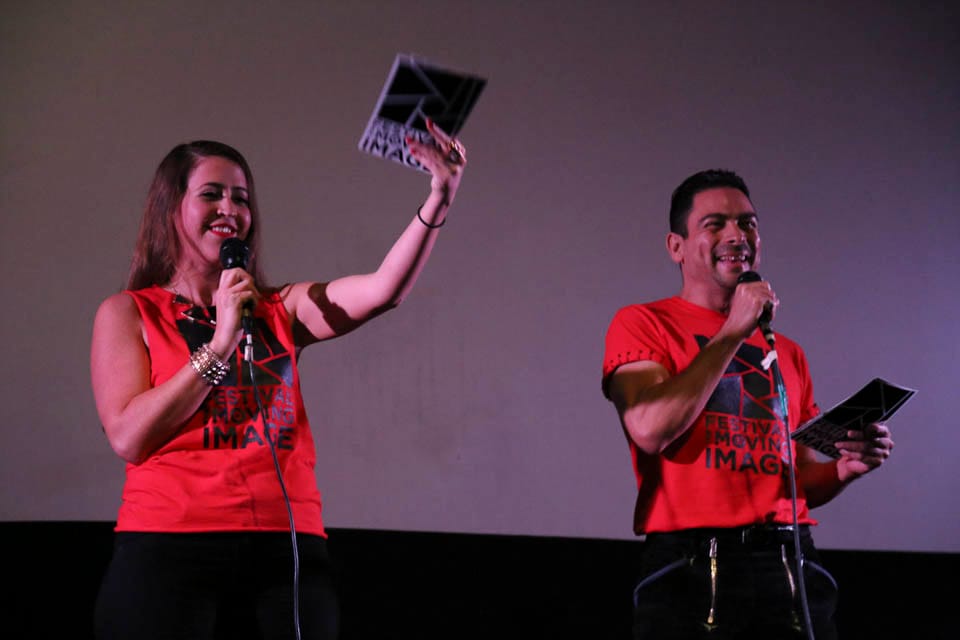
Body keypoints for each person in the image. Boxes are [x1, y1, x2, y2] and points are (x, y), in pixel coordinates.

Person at [90, 122, 467, 640]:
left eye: (240, 198)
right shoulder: (128, 312)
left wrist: (440, 197)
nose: (230, 209)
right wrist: (220, 344)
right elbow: (129, 436)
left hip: (284, 553)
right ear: (170, 207)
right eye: (211, 194)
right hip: (169, 545)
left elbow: (383, 290)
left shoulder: (277, 309)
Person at [601, 169, 895, 640]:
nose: (737, 235)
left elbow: (796, 477)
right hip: (693, 566)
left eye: (748, 223)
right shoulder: (644, 323)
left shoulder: (788, 350)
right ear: (676, 247)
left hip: (790, 562)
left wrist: (843, 470)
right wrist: (733, 329)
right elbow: (650, 427)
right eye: (715, 224)